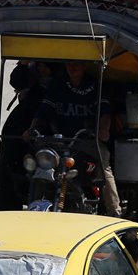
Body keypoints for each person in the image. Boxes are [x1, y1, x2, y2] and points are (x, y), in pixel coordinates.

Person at [30, 62, 118, 216]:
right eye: (69, 65)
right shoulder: (58, 85)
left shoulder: (95, 85)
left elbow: (105, 112)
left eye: (77, 65)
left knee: (103, 168)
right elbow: (44, 110)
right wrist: (31, 129)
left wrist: (103, 130)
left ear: (85, 66)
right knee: (38, 165)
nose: (72, 68)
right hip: (61, 141)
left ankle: (115, 212)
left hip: (87, 140)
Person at [0, 61, 52, 211]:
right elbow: (17, 80)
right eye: (40, 66)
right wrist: (25, 64)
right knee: (10, 146)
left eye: (46, 66)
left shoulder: (65, 77)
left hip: (56, 117)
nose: (42, 69)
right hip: (27, 117)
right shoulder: (31, 69)